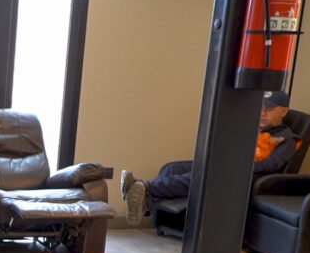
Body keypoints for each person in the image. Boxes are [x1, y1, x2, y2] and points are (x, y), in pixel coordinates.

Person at [121, 90, 299, 225]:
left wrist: (239, 165)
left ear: (284, 111)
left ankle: (144, 187)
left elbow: (272, 164)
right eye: (261, 107)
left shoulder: (287, 139)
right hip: (222, 164)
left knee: (198, 177)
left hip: (242, 176)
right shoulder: (250, 129)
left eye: (269, 109)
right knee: (172, 168)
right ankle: (145, 204)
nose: (262, 113)